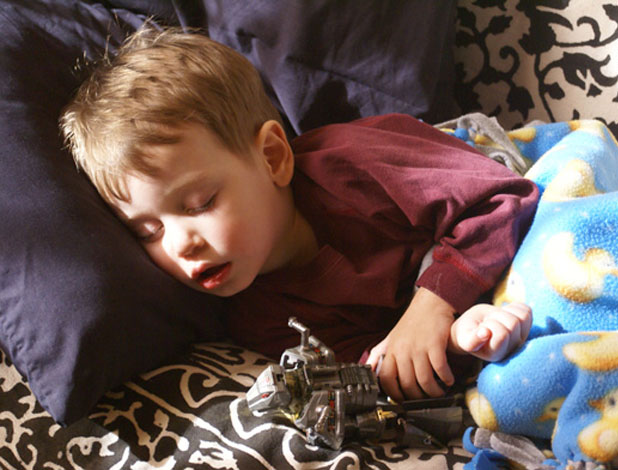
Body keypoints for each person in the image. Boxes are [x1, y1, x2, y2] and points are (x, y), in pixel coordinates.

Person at [60, 26, 539, 403]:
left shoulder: (351, 166)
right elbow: (375, 364)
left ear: (272, 157)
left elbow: (501, 198)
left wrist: (432, 305)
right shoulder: (259, 318)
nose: (179, 243)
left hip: (479, 174)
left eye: (200, 203)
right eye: (148, 231)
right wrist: (452, 338)